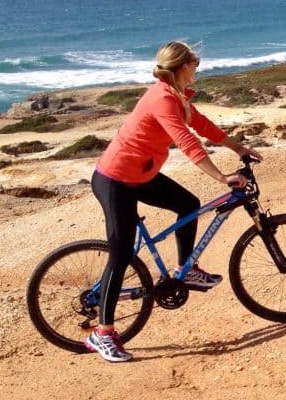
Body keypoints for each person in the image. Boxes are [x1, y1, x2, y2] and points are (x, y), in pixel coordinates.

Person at [85, 41, 262, 362]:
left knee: (188, 203)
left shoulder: (177, 96)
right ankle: (103, 333)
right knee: (121, 254)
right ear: (183, 67)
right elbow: (187, 141)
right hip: (115, 180)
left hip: (141, 174)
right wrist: (222, 178)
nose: (197, 67)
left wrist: (239, 149)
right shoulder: (163, 98)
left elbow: (202, 125)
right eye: (194, 63)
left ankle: (186, 268)